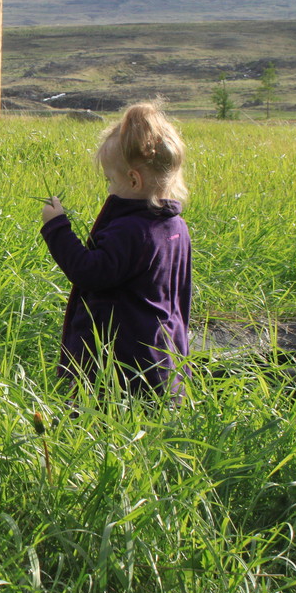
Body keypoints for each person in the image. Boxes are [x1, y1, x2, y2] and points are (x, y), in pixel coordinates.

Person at [40, 101, 191, 404]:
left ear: (133, 180)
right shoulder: (176, 227)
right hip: (161, 357)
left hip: (120, 367)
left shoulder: (132, 229)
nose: (109, 188)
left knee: (99, 424)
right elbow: (181, 296)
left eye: (110, 179)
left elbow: (90, 273)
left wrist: (56, 227)